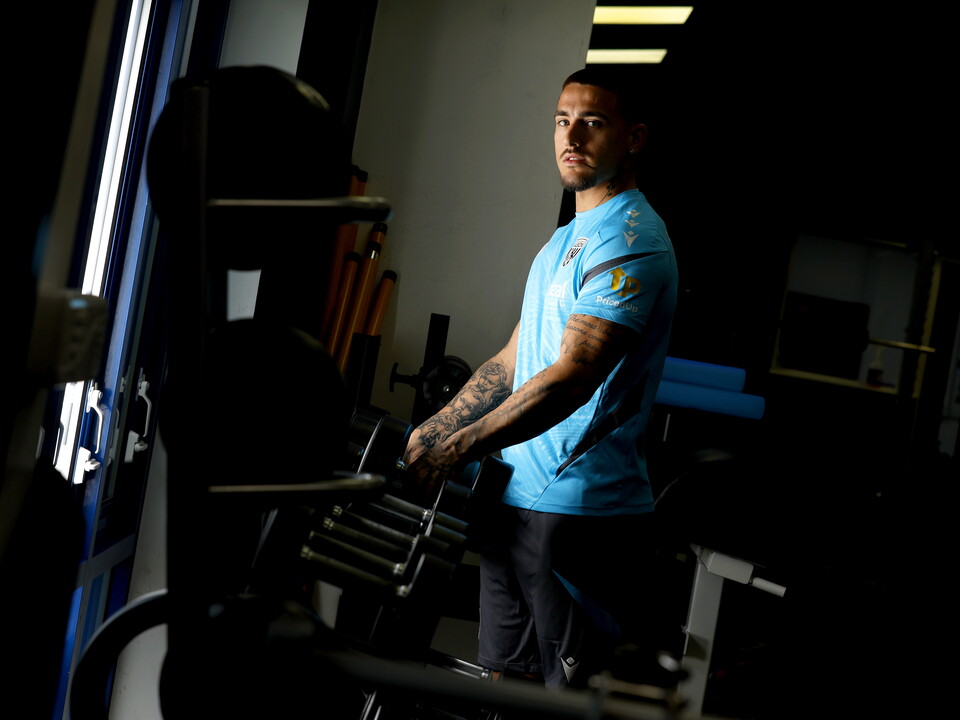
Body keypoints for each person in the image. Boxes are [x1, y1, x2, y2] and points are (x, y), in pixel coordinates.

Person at [403, 67, 678, 689]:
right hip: (513, 496)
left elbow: (572, 377)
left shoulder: (632, 240)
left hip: (579, 512)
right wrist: (437, 427)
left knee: (567, 700)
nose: (571, 137)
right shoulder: (562, 242)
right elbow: (513, 358)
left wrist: (456, 450)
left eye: (592, 123)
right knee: (505, 685)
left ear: (634, 138)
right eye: (562, 120)